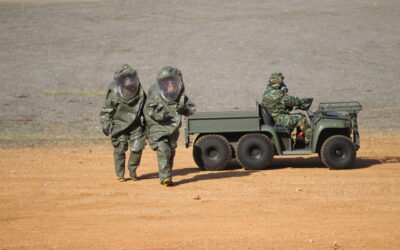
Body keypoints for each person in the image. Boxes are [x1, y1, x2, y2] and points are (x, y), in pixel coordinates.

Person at [144, 66, 196, 186]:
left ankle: (168, 175)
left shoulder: (181, 96)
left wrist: (184, 110)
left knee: (171, 151)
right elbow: (148, 110)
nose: (171, 83)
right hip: (157, 128)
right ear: (163, 83)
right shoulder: (155, 94)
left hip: (173, 129)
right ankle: (165, 177)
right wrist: (162, 115)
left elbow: (192, 109)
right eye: (168, 81)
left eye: (173, 80)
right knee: (164, 150)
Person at [100, 64, 147, 182]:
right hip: (119, 124)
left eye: (130, 77)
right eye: (125, 78)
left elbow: (146, 110)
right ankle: (120, 174)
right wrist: (106, 124)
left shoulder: (140, 92)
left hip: (135, 125)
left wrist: (148, 124)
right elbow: (107, 110)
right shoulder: (114, 92)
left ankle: (132, 171)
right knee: (119, 150)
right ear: (120, 80)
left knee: (137, 148)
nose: (128, 80)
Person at [262, 72, 312, 143]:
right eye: (281, 81)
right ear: (278, 82)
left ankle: (299, 138)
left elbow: (279, 101)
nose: (282, 83)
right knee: (301, 118)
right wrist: (305, 100)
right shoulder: (278, 94)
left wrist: (283, 90)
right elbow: (293, 101)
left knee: (301, 115)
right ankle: (310, 140)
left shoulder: (267, 92)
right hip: (280, 119)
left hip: (275, 116)